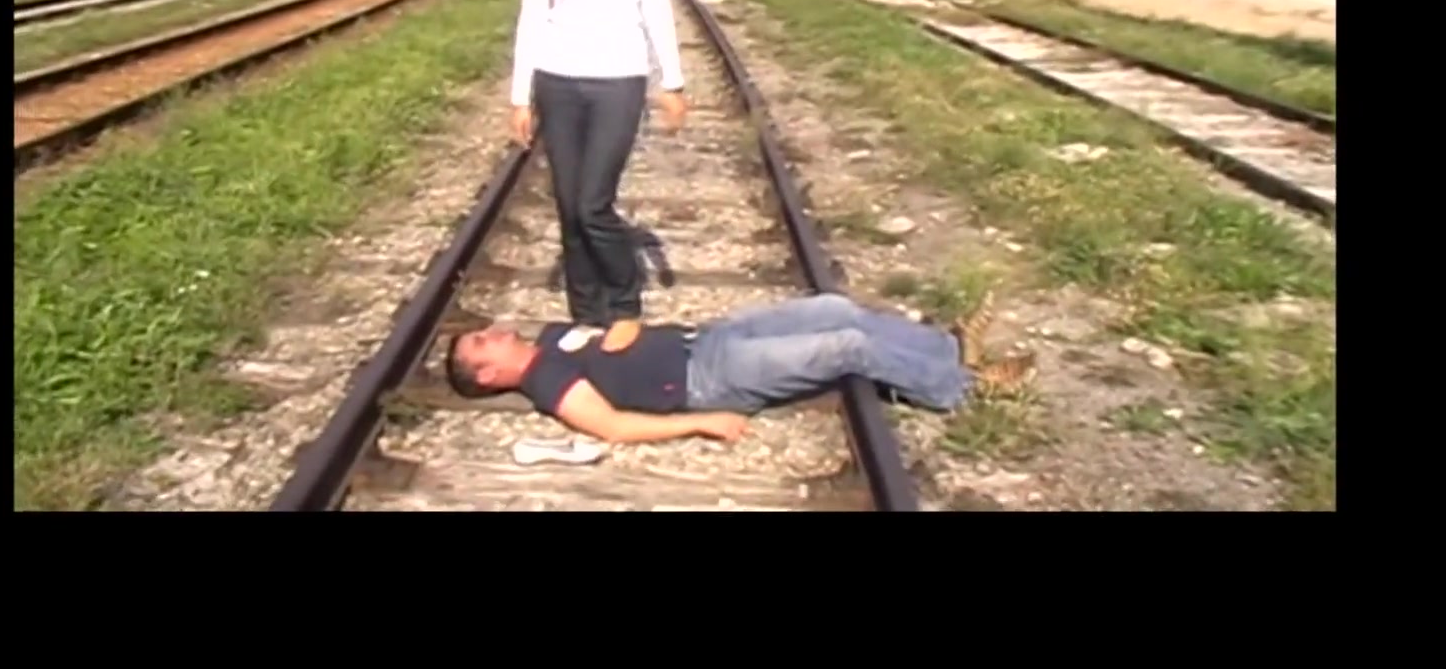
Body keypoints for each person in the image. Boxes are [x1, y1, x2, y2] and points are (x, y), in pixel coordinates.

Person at [508, 0, 686, 353]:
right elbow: (533, 13)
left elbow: (654, 1)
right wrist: (520, 95)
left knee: (592, 203)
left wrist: (672, 80)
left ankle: (625, 306)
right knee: (567, 205)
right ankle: (586, 314)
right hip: (557, 80)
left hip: (618, 79)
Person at [442, 292, 1036, 445]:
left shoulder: (549, 339)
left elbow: (613, 336)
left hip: (710, 336)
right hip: (710, 379)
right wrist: (702, 423)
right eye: (483, 343)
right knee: (846, 346)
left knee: (835, 308)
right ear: (489, 377)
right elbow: (613, 426)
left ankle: (949, 348)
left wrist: (624, 326)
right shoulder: (546, 382)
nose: (495, 331)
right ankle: (962, 390)